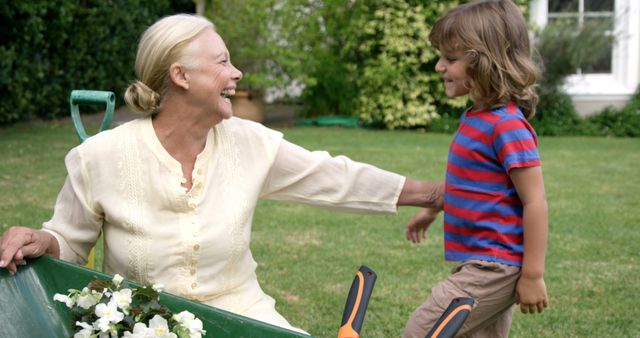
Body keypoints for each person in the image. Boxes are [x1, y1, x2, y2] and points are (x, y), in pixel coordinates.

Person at [0, 14, 444, 334]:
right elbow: (69, 244)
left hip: (242, 315)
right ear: (181, 76)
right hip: (143, 323)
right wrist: (43, 240)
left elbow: (335, 177)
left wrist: (433, 194)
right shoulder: (99, 156)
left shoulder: (249, 143)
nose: (237, 73)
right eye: (222, 62)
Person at [402, 1, 549, 337]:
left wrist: (532, 275)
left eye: (451, 59)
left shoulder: (508, 126)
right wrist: (433, 208)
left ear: (488, 62)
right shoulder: (474, 118)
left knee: (423, 331)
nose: (439, 66)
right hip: (479, 262)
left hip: (495, 266)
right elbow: (474, 183)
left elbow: (535, 201)